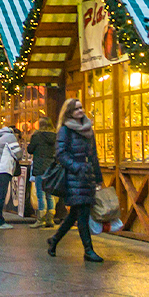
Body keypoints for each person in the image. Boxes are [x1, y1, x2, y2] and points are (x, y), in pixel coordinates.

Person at [48, 98, 105, 263]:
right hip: (74, 177)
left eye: (81, 108)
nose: (80, 111)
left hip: (87, 177)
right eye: (76, 109)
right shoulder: (65, 130)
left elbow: (93, 155)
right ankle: (88, 250)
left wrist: (98, 177)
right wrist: (77, 167)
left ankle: (54, 239)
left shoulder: (88, 129)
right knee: (82, 214)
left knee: (75, 214)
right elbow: (61, 154)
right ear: (69, 113)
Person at [28, 116, 57, 228]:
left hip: (40, 167)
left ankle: (41, 219)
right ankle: (50, 219)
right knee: (50, 194)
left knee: (41, 194)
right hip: (51, 168)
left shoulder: (37, 136)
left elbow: (30, 149)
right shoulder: (55, 136)